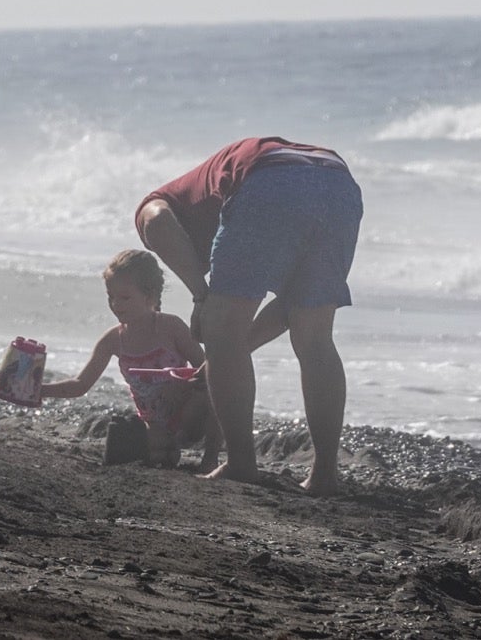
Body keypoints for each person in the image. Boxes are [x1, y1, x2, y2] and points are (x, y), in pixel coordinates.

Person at [135, 137, 362, 495]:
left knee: (220, 330)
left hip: (266, 177)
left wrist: (200, 295)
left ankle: (241, 464)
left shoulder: (162, 201)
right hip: (337, 181)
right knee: (314, 335)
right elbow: (289, 306)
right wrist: (230, 351)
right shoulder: (213, 195)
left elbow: (156, 220)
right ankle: (324, 475)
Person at [39, 250, 221, 469]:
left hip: (187, 414)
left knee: (214, 393)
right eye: (111, 297)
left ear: (149, 296)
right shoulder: (113, 340)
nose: (116, 304)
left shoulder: (171, 327)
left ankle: (210, 458)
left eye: (124, 297)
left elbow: (209, 367)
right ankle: (165, 448)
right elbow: (80, 385)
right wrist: (40, 390)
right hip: (152, 422)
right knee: (118, 442)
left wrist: (181, 387)